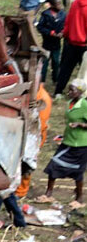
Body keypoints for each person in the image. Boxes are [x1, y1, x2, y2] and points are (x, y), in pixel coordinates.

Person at [37, 79, 87, 209]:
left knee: (78, 172)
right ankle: (48, 194)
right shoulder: (70, 103)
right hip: (68, 141)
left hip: (81, 144)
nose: (69, 92)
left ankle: (79, 199)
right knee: (53, 165)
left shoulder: (85, 105)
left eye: (72, 90)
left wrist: (80, 124)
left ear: (80, 91)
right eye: (69, 89)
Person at [56, 0, 87, 95]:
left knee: (65, 69)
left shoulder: (75, 4)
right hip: (84, 45)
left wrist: (65, 35)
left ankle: (58, 92)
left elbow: (68, 22)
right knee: (84, 72)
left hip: (71, 42)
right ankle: (82, 94)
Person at [37, 0, 66, 82]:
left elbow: (66, 25)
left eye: (60, 4)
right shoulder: (46, 15)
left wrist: (62, 32)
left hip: (56, 44)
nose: (60, 6)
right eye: (57, 4)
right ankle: (42, 80)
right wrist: (51, 33)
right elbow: (40, 27)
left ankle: (55, 79)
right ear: (52, 6)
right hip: (47, 43)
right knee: (44, 63)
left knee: (56, 62)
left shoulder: (63, 14)